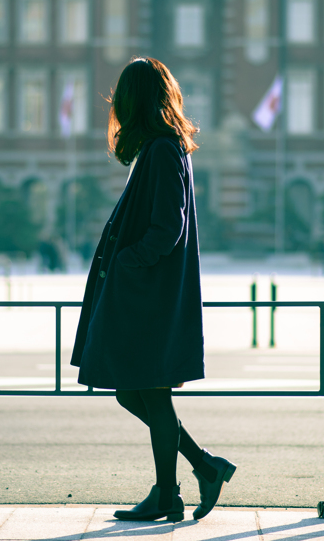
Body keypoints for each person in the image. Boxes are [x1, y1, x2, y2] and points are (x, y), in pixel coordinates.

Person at [71, 57, 236, 523]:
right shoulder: (162, 148)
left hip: (148, 296)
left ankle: (172, 492)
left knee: (146, 392)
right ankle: (201, 469)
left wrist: (127, 261)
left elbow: (168, 227)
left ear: (136, 100)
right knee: (132, 390)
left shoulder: (163, 150)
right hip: (148, 294)